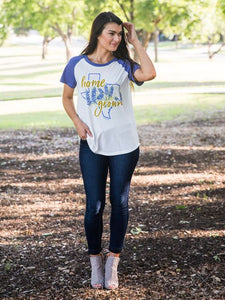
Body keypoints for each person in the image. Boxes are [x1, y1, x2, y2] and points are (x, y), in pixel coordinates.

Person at [60, 11, 156, 290]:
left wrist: (135, 40)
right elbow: (67, 97)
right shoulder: (77, 64)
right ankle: (95, 261)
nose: (115, 38)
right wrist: (77, 121)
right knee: (94, 206)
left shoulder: (124, 65)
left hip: (125, 145)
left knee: (120, 201)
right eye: (111, 33)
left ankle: (113, 261)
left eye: (118, 34)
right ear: (98, 34)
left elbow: (149, 73)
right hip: (92, 144)